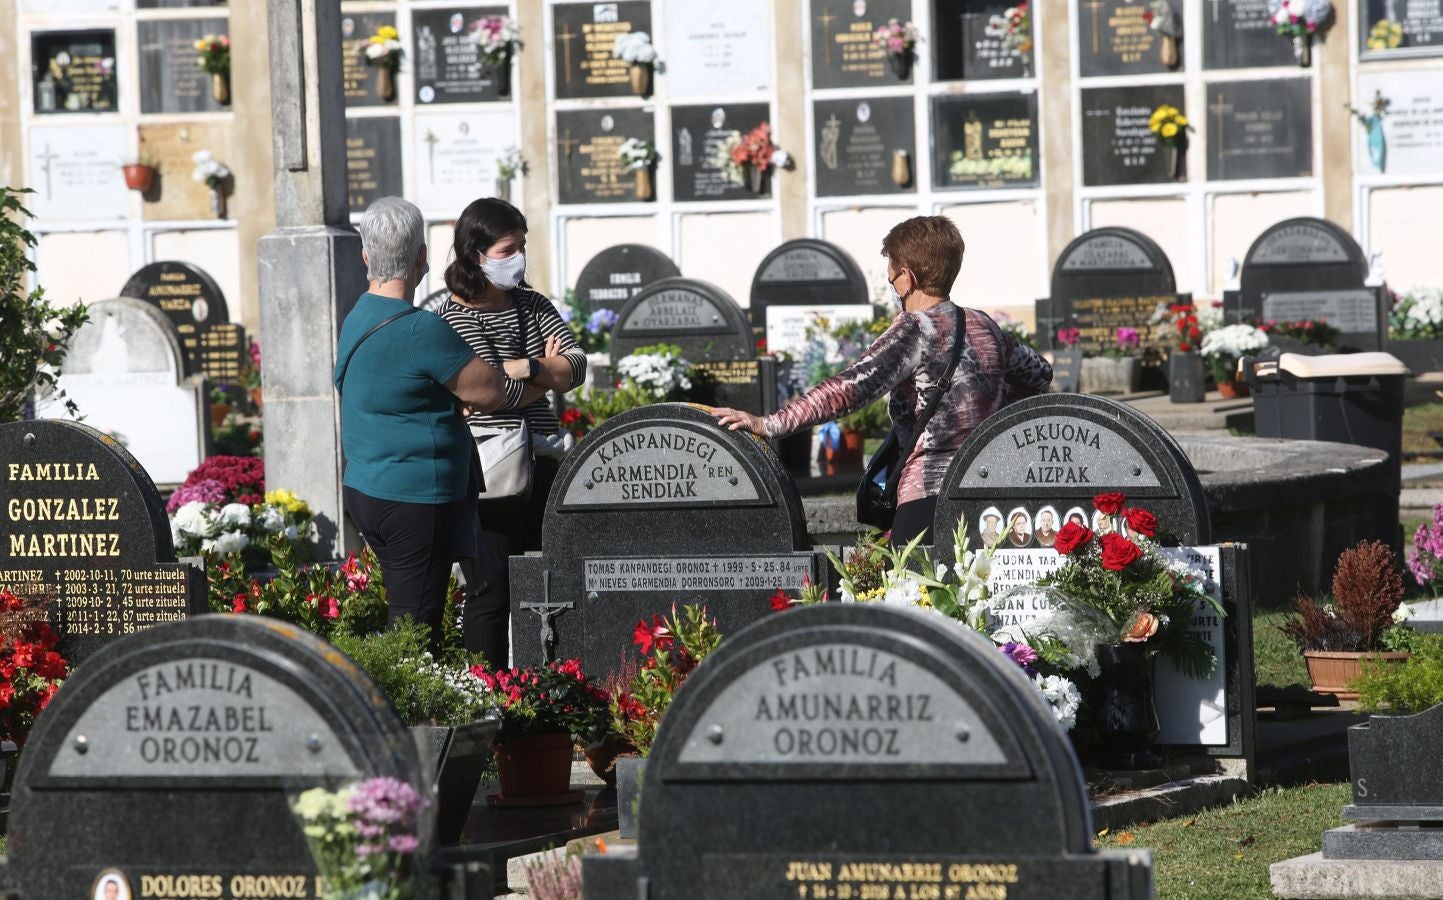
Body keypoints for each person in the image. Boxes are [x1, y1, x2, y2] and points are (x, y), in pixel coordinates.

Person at [713, 216, 1052, 546]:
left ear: (907, 278)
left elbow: (850, 388)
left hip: (928, 498)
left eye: (891, 272)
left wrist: (768, 424)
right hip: (989, 492)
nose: (891, 280)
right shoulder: (985, 325)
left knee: (911, 599)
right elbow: (1039, 374)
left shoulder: (914, 328)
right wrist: (987, 409)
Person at [334, 197, 521, 652]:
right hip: (415, 498)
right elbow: (491, 390)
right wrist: (536, 368)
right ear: (421, 257)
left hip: (367, 490)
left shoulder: (357, 315)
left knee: (409, 614)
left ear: (365, 257)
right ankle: (412, 719)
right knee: (414, 633)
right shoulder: (421, 329)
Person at [440, 198, 587, 666]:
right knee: (491, 591)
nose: (518, 259)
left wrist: (525, 366)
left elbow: (577, 365)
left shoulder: (532, 303)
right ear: (475, 252)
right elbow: (492, 393)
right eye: (508, 249)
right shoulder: (456, 316)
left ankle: (549, 693)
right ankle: (487, 700)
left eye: (521, 247)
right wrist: (542, 377)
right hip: (492, 471)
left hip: (545, 461)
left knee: (554, 583)